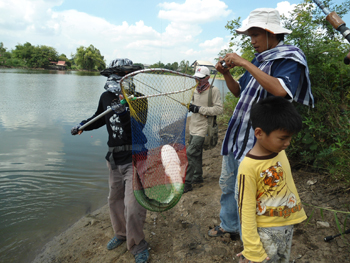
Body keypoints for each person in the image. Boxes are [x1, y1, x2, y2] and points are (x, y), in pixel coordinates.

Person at [208, 8, 314, 238]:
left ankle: (252, 237)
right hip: (239, 135)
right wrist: (226, 73)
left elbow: (281, 90)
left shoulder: (289, 58)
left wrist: (244, 63)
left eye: (256, 35)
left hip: (260, 141)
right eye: (250, 36)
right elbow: (238, 92)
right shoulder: (260, 62)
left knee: (250, 193)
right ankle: (229, 225)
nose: (253, 41)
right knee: (228, 185)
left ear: (271, 34)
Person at [71, 58, 149, 263]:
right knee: (114, 201)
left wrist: (123, 112)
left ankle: (138, 244)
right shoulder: (106, 97)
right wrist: (82, 126)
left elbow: (138, 131)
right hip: (114, 159)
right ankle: (121, 234)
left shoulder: (139, 98)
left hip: (135, 158)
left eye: (124, 76)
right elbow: (99, 117)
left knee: (133, 206)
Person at [236, 96, 307, 263]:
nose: (287, 143)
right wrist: (253, 249)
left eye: (290, 137)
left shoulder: (279, 151)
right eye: (283, 138)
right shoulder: (248, 167)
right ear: (259, 133)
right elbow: (245, 210)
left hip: (286, 227)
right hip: (265, 234)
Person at [184, 66, 223, 193]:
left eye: (201, 78)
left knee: (190, 153)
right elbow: (191, 104)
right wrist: (190, 106)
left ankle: (187, 183)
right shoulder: (194, 89)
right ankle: (197, 177)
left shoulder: (214, 90)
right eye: (196, 78)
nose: (198, 80)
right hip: (193, 127)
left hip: (204, 129)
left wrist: (199, 109)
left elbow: (219, 109)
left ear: (208, 78)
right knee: (197, 153)